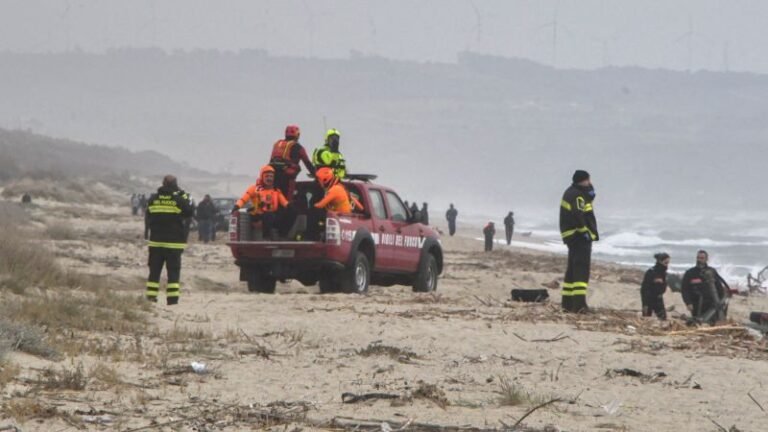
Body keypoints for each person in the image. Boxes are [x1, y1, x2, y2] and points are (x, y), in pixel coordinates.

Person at [144, 175, 194, 305]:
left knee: (154, 272)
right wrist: (183, 195)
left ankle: (151, 297)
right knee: (173, 272)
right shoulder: (178, 199)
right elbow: (189, 211)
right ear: (175, 185)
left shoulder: (153, 199)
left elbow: (148, 216)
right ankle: (172, 300)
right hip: (173, 243)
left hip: (155, 242)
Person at [559, 170, 599, 313]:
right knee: (581, 271)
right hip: (579, 237)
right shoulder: (577, 195)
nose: (590, 183)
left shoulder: (571, 192)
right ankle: (580, 305)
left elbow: (582, 209)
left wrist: (590, 194)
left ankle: (567, 303)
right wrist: (584, 232)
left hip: (571, 236)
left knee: (572, 271)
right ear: (583, 180)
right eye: (588, 180)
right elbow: (578, 215)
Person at [232, 165, 290, 240]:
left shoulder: (276, 191)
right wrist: (236, 206)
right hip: (258, 216)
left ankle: (283, 235)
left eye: (271, 176)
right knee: (268, 215)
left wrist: (290, 208)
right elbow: (243, 199)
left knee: (286, 213)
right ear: (262, 177)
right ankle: (266, 237)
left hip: (272, 216)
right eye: (267, 176)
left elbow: (285, 203)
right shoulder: (254, 189)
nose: (269, 178)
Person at [682, 250, 730, 324]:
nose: (699, 260)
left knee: (714, 322)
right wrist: (688, 303)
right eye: (698, 258)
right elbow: (684, 289)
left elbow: (719, 287)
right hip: (697, 304)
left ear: (706, 259)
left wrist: (721, 301)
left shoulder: (712, 271)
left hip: (712, 303)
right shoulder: (690, 273)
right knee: (697, 323)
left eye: (702, 258)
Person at [269, 124, 315, 199]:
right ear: (297, 135)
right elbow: (307, 163)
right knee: (287, 201)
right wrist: (316, 174)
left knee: (275, 198)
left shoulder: (277, 144)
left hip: (273, 177)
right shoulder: (298, 147)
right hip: (287, 179)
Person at [641, 253, 670, 320]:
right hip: (649, 298)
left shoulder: (664, 273)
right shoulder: (651, 272)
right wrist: (645, 304)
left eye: (668, 263)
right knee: (646, 318)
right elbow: (644, 288)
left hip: (659, 298)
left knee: (663, 318)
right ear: (660, 261)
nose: (667, 265)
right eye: (665, 263)